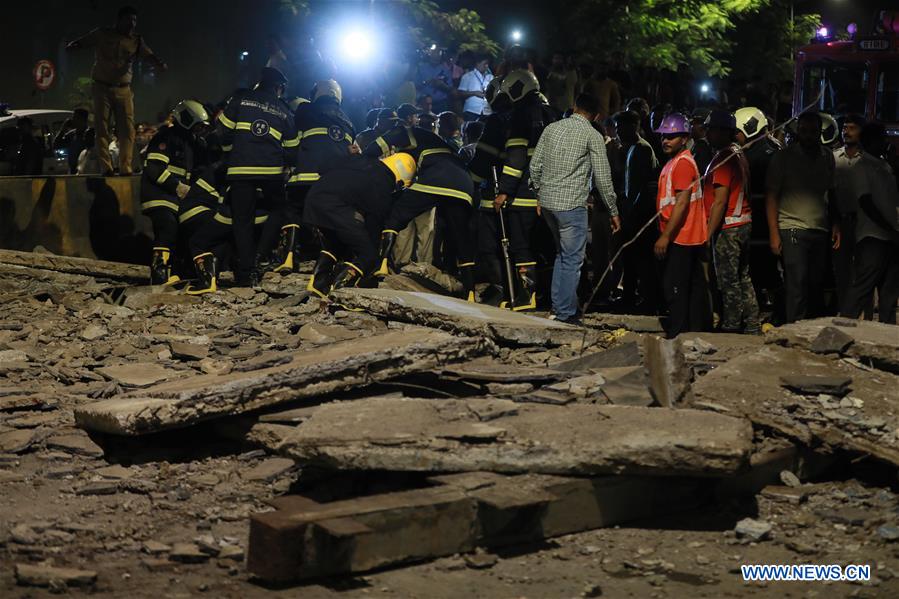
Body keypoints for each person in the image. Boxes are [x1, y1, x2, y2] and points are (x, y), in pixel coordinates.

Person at [364, 117, 478, 301]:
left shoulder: (410, 132)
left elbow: (382, 142)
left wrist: (364, 158)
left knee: (396, 215)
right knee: (461, 236)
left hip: (437, 177)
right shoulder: (442, 142)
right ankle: (470, 291)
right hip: (464, 186)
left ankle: (381, 264)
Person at [530, 93, 619, 324]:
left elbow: (535, 165)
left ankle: (558, 307)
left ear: (574, 107)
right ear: (596, 116)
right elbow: (603, 177)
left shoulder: (551, 129)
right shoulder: (593, 135)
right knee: (572, 259)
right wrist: (613, 209)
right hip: (571, 206)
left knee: (562, 255)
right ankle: (566, 314)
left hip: (548, 204)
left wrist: (539, 192)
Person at [215, 67, 298, 287]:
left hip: (240, 170)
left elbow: (222, 131)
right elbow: (292, 149)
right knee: (279, 210)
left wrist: (231, 152)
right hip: (271, 172)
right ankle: (261, 255)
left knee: (242, 220)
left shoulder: (241, 100)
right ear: (279, 88)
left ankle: (246, 271)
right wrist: (285, 164)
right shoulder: (284, 110)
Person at [66, 5, 167, 176]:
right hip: (102, 88)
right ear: (119, 20)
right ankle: (106, 167)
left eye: (135, 20)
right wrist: (73, 45)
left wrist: (158, 63)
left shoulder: (136, 41)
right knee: (102, 128)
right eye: (129, 19)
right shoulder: (103, 34)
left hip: (123, 90)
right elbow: (84, 41)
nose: (132, 24)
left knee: (127, 130)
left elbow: (148, 55)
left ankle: (125, 167)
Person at [304, 153, 417, 296]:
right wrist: (375, 254)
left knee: (335, 245)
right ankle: (342, 291)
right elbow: (374, 224)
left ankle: (318, 285)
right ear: (401, 180)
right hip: (336, 207)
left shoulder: (364, 160)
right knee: (368, 255)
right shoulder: (384, 183)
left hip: (313, 199)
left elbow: (326, 165)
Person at [490, 69, 557, 311]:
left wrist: (504, 191)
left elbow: (516, 157)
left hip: (524, 196)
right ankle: (548, 297)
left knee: (521, 245)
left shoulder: (520, 115)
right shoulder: (552, 113)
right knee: (547, 247)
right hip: (551, 195)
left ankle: (526, 297)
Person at [766, 111, 839, 323]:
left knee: (815, 285)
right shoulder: (784, 157)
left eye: (813, 131)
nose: (808, 135)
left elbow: (832, 192)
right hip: (792, 228)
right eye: (804, 131)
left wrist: (835, 224)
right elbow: (771, 195)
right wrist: (774, 233)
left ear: (820, 133)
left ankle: (810, 331)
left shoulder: (827, 157)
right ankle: (793, 330)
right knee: (797, 284)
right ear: (798, 132)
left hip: (819, 229)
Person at [277, 80, 356, 274]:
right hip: (335, 182)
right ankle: (329, 262)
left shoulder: (306, 110)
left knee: (292, 211)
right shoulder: (349, 122)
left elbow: (291, 131)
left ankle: (289, 256)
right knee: (329, 219)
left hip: (305, 176)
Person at [654, 113, 712, 338]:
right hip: (683, 234)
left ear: (684, 138)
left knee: (675, 288)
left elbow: (681, 204)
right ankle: (691, 332)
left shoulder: (683, 164)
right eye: (664, 136)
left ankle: (678, 334)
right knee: (690, 286)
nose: (666, 140)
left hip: (682, 236)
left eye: (672, 136)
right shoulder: (675, 162)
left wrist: (665, 236)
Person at [141, 100, 210, 285]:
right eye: (198, 127)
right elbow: (154, 168)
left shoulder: (192, 143)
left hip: (176, 198)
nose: (199, 131)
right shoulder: (166, 137)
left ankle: (177, 272)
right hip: (159, 195)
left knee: (181, 232)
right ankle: (159, 274)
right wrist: (177, 186)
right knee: (167, 227)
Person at [703, 109, 759, 334]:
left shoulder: (724, 158)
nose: (707, 134)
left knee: (728, 281)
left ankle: (732, 325)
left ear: (722, 132)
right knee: (743, 277)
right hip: (743, 223)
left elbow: (720, 202)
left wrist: (707, 235)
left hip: (729, 227)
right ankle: (752, 324)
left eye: (710, 130)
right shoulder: (738, 153)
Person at [842, 123, 899, 324]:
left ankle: (886, 335)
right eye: (881, 138)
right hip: (872, 237)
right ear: (869, 141)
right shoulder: (861, 166)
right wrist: (888, 227)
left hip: (890, 236)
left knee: (889, 294)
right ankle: (843, 329)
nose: (885, 142)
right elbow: (865, 201)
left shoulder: (885, 166)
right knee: (862, 288)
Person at [734, 106, 784, 319]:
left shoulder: (751, 154)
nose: (733, 135)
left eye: (736, 131)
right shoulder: (775, 148)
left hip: (759, 220)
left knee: (758, 268)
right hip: (767, 220)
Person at [613, 109, 660, 314]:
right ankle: (630, 296)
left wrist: (631, 213)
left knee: (641, 259)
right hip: (632, 211)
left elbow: (639, 187)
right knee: (630, 257)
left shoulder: (641, 149)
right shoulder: (631, 148)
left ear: (632, 127)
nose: (617, 132)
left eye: (619, 128)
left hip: (639, 214)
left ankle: (648, 299)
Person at [831, 114, 867, 314]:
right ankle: (844, 310)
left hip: (864, 222)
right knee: (842, 269)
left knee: (864, 269)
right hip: (842, 221)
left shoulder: (869, 160)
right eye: (845, 128)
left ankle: (863, 312)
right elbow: (830, 192)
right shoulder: (835, 158)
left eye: (852, 128)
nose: (847, 132)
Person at [54, 108, 93, 174]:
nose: (73, 120)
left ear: (82, 119)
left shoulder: (90, 134)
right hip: (73, 170)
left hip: (86, 170)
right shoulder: (72, 134)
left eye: (75, 117)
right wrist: (62, 129)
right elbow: (56, 144)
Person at [416, 46, 453, 113]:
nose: (435, 57)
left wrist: (442, 85)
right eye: (434, 55)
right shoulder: (421, 68)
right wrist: (426, 82)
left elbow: (450, 89)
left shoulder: (446, 70)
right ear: (430, 55)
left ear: (440, 57)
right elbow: (416, 85)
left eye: (437, 56)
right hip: (423, 104)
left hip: (440, 104)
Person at [457, 55, 493, 122]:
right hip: (471, 110)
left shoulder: (490, 77)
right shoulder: (467, 76)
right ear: (477, 64)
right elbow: (460, 93)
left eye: (488, 64)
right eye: (484, 64)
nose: (487, 66)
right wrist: (474, 93)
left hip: (487, 111)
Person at [688, 108, 713, 176]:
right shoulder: (697, 144)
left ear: (703, 126)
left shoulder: (703, 148)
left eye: (693, 123)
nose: (691, 127)